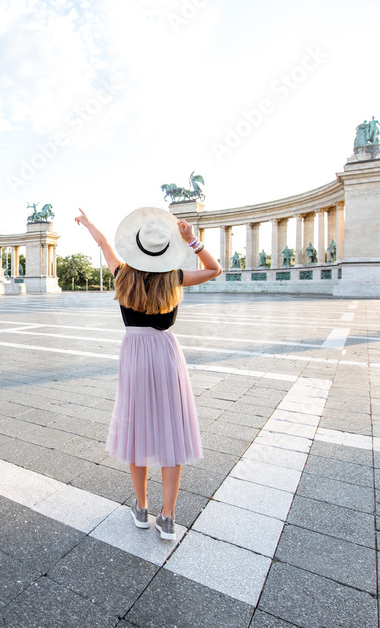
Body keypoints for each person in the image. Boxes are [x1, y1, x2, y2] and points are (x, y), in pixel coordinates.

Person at [75, 207, 222, 540]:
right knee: (171, 430)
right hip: (166, 352)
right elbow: (216, 269)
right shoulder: (176, 276)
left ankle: (141, 508)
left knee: (136, 429)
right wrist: (193, 241)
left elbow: (102, 243)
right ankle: (168, 517)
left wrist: (87, 222)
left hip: (134, 353)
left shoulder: (122, 275)